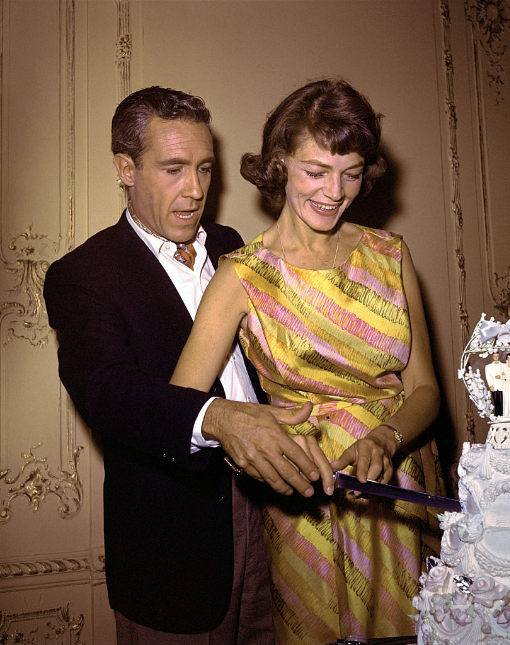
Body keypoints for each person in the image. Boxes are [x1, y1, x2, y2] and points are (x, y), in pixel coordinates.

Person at [44, 86, 326, 645]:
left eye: (203, 168)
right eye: (173, 169)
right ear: (125, 168)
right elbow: (109, 393)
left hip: (276, 525)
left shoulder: (232, 245)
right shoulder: (83, 274)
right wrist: (217, 418)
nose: (195, 190)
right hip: (171, 554)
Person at [171, 79, 445, 645]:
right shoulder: (241, 275)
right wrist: (257, 449)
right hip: (307, 501)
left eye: (350, 172)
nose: (335, 191)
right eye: (315, 171)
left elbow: (425, 389)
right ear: (279, 165)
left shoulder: (390, 254)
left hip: (400, 488)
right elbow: (184, 408)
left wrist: (387, 439)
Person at [485, 351, 505, 416]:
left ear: (499, 356)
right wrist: (490, 385)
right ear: (492, 357)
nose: (496, 357)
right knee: (496, 401)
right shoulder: (488, 366)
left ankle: (503, 415)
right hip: (494, 385)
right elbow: (488, 376)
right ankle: (498, 415)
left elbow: (506, 375)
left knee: (503, 401)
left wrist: (503, 376)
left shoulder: (504, 365)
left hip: (503, 385)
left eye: (497, 356)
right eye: (494, 356)